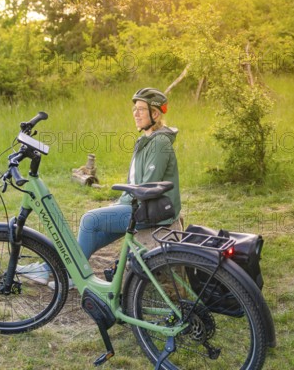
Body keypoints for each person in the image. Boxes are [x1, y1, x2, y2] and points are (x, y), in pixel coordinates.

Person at [18, 87, 182, 288]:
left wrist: (122, 204)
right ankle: (48, 269)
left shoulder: (160, 143)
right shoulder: (146, 140)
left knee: (90, 219)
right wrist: (119, 202)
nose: (135, 113)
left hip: (153, 212)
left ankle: (75, 276)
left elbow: (148, 187)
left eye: (141, 109)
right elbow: (135, 182)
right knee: (92, 231)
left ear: (155, 114)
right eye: (134, 109)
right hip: (139, 205)